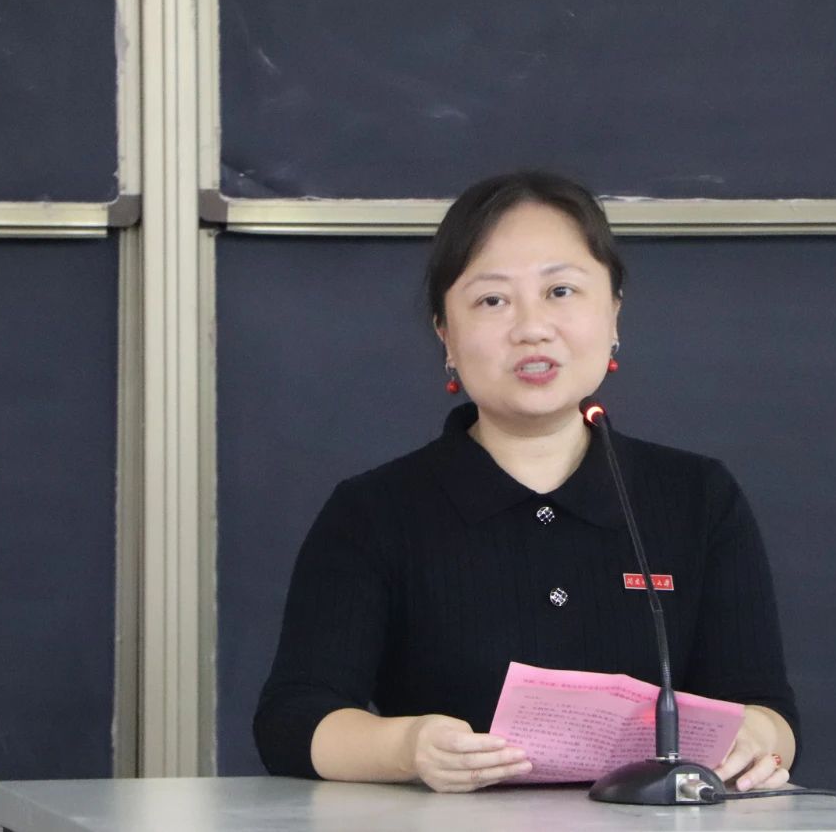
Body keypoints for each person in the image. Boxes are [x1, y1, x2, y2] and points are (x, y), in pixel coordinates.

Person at [254, 171, 798, 794]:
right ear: (445, 334)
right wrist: (407, 748)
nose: (531, 327)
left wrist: (757, 737)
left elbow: (767, 708)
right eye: (492, 300)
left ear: (614, 313)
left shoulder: (697, 496)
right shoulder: (373, 512)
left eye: (561, 291)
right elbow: (293, 720)